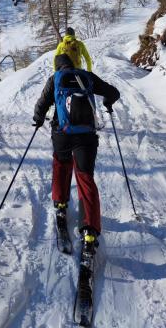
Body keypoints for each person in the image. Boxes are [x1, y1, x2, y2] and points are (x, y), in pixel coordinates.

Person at [33, 53, 120, 251]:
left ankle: (61, 205)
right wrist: (107, 102)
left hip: (62, 134)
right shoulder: (87, 76)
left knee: (61, 165)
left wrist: (38, 119)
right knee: (85, 178)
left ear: (57, 67)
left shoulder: (54, 79)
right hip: (86, 136)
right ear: (73, 64)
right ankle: (89, 232)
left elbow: (42, 104)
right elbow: (113, 93)